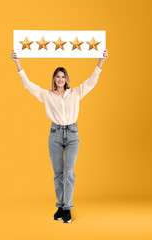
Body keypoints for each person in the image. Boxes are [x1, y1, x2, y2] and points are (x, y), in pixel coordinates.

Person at [10, 49, 108, 223]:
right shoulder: (47, 95)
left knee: (69, 173)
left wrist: (101, 60)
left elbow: (92, 81)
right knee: (58, 174)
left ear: (66, 79)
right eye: (57, 77)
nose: (60, 79)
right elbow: (28, 84)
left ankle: (67, 209)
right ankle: (60, 206)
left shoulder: (75, 93)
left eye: (63, 76)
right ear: (54, 79)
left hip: (72, 134)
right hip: (55, 134)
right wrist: (18, 63)